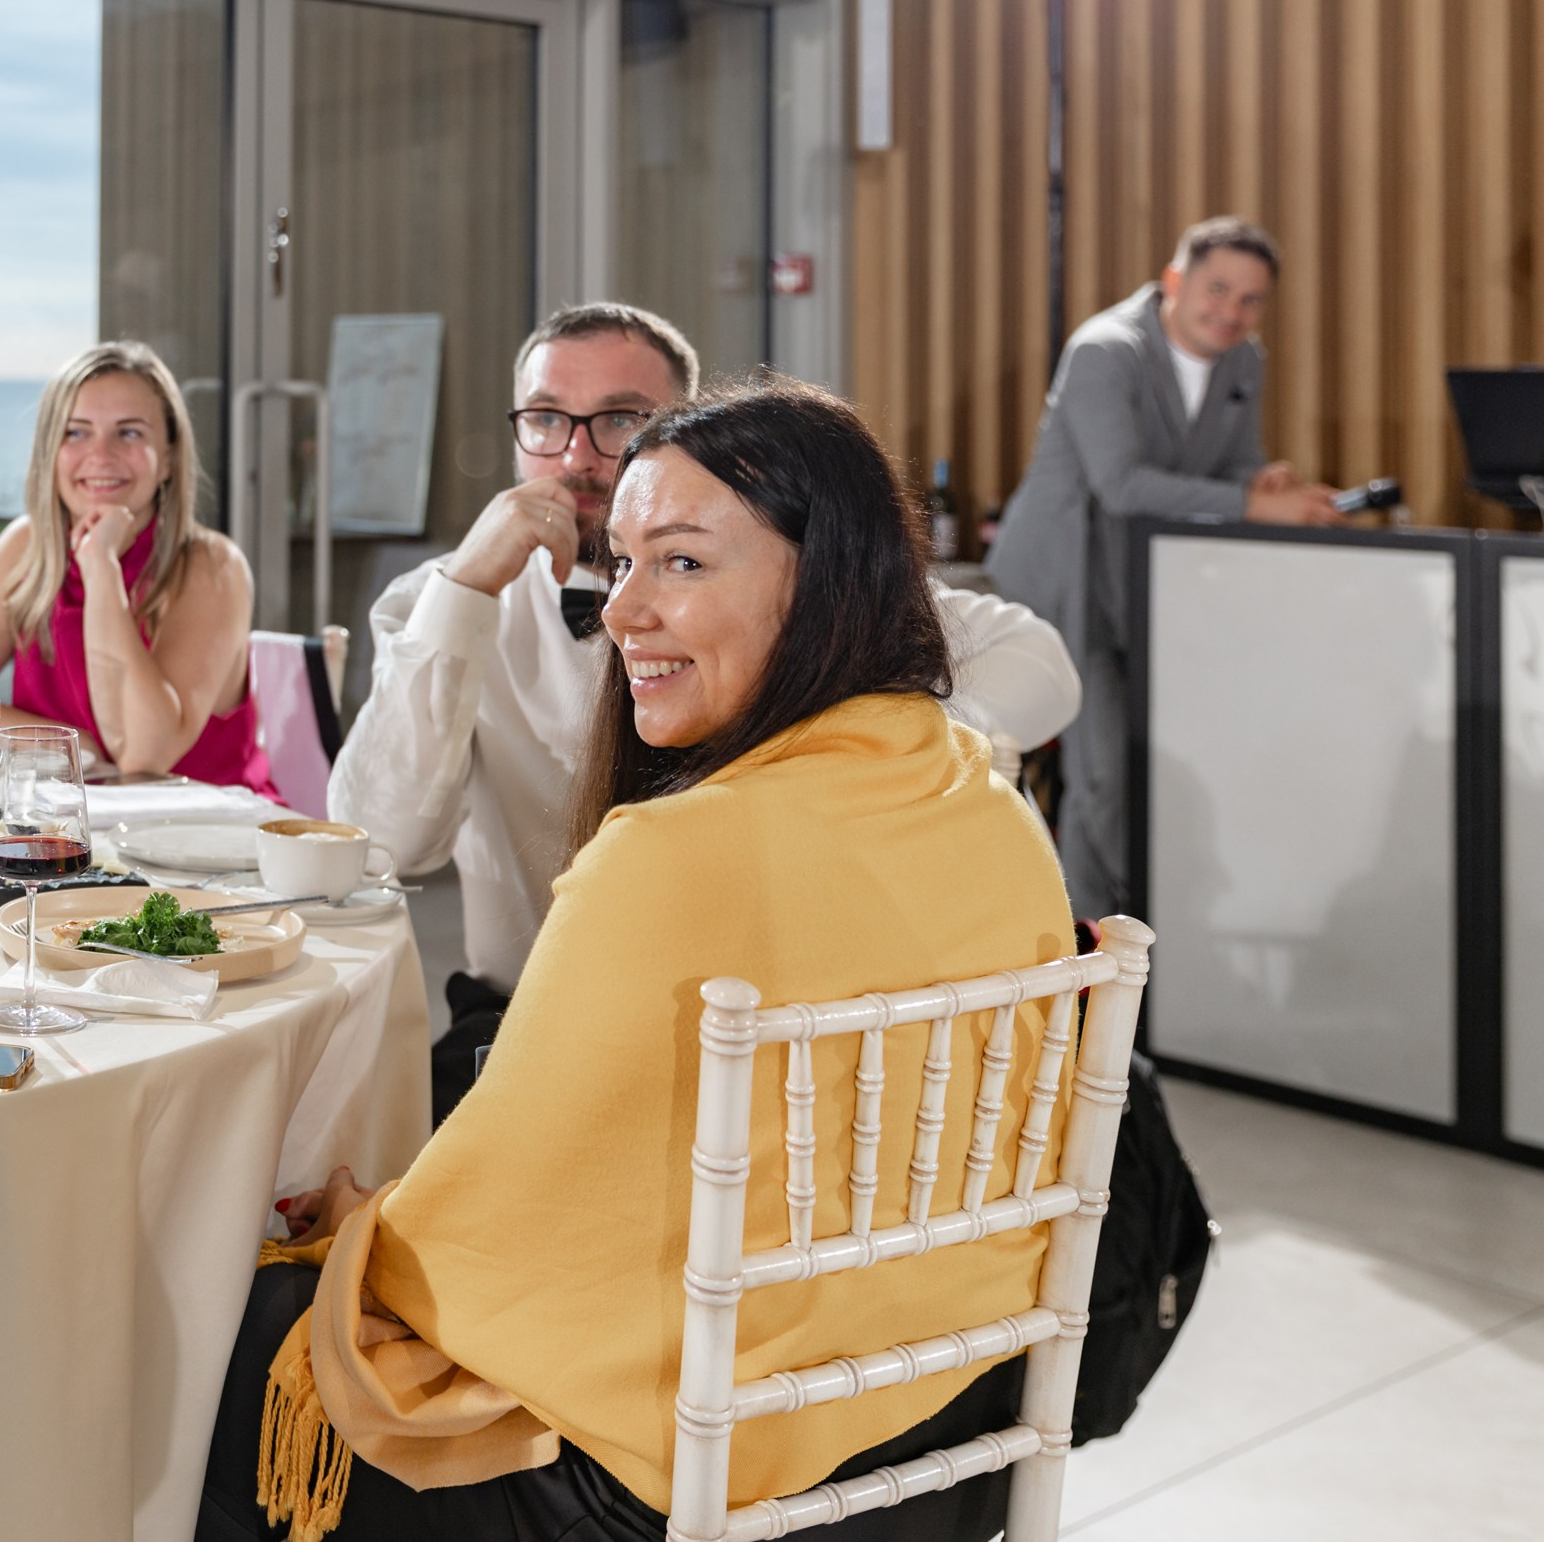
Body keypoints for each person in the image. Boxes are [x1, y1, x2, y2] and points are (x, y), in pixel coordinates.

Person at [199, 381, 1076, 1542]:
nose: (623, 613)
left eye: (682, 563)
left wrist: (368, 1223)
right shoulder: (987, 800)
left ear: (822, 577)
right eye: (622, 563)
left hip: (692, 1461)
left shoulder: (671, 854)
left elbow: (505, 1221)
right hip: (936, 1401)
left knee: (230, 1328)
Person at [329, 303, 1079, 1120]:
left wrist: (855, 758)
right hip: (530, 1014)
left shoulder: (786, 593)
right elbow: (381, 841)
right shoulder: (448, 601)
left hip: (780, 1021)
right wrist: (463, 594)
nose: (577, 455)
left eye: (619, 419)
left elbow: (1041, 663)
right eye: (546, 418)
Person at [987, 216, 1343, 917]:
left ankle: (1146, 936)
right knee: (1104, 777)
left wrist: (1263, 485)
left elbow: (1234, 466)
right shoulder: (1103, 350)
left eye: (1251, 299)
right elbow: (1120, 484)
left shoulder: (1245, 363)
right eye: (1218, 290)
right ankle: (1091, 949)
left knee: (1153, 768)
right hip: (1069, 582)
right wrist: (1251, 505)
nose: (1232, 312)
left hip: (1156, 585)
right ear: (1175, 281)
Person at [0, 340, 274, 793]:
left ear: (169, 458)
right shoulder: (27, 547)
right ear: (50, 452)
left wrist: (100, 567)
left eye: (130, 433)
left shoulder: (211, 567)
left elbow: (145, 756)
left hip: (201, 842)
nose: (101, 455)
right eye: (76, 432)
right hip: (61, 832)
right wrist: (71, 745)